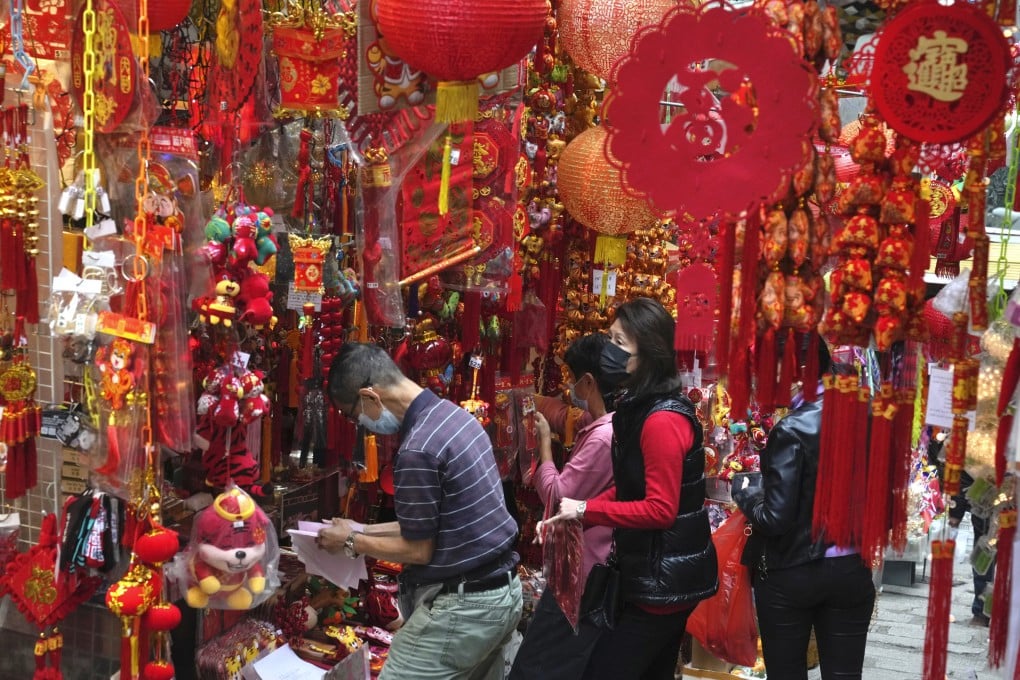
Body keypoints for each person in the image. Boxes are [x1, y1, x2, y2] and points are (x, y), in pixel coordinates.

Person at [318, 343, 522, 680]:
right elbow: (426, 525)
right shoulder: (452, 416)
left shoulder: (418, 448)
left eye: (355, 416)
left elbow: (418, 549)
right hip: (502, 594)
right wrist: (361, 529)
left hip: (467, 607)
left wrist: (353, 541)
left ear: (370, 397)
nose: (363, 426)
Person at [542, 297, 718, 680]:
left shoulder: (661, 420)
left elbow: (659, 508)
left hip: (661, 581)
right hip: (661, 573)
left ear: (649, 354)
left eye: (620, 343)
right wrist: (580, 513)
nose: (609, 350)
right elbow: (629, 487)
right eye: (610, 338)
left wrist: (587, 511)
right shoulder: (638, 407)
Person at [732, 337, 876, 680]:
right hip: (852, 567)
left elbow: (775, 518)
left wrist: (747, 491)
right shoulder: (868, 411)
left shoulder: (793, 429)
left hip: (793, 572)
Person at [509, 333, 617, 680]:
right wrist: (529, 398)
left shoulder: (603, 438)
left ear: (588, 382)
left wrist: (543, 446)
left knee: (537, 666)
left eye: (572, 379)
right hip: (582, 573)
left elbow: (557, 497)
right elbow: (566, 416)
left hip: (579, 578)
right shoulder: (604, 423)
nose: (569, 387)